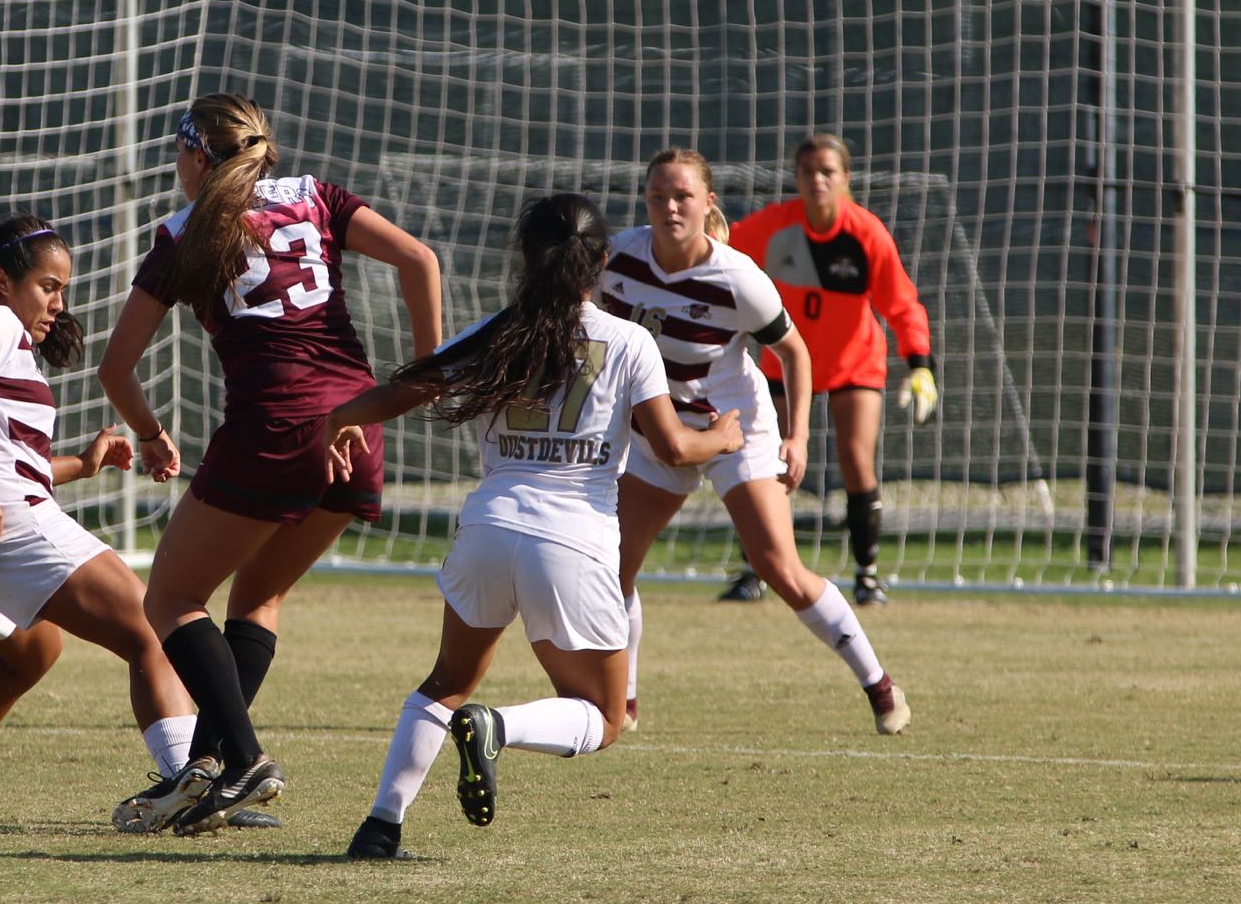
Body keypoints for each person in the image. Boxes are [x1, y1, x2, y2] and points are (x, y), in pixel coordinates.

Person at [325, 193, 743, 861]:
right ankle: (496, 727)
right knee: (604, 718)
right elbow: (672, 449)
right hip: (573, 540)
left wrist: (340, 417)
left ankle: (381, 825)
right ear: (602, 263)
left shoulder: (495, 332)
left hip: (488, 528)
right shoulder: (628, 340)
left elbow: (406, 388)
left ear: (525, 258)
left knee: (444, 683)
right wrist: (720, 437)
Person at [98, 91, 443, 835]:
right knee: (255, 600)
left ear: (196, 157)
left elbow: (116, 368)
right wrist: (423, 374)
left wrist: (151, 434)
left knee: (169, 600)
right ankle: (202, 779)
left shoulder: (186, 231)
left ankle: (245, 762)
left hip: (276, 424)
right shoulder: (317, 196)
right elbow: (421, 257)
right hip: (359, 424)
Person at [0, 215, 210, 831]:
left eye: (62, 290)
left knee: (30, 655)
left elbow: (7, 461)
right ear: (3, 281)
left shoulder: (8, 339)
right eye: (48, 286)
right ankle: (188, 791)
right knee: (153, 626)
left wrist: (83, 464)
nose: (57, 303)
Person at [604, 148, 911, 736]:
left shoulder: (738, 277)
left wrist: (796, 436)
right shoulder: (617, 258)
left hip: (736, 430)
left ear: (708, 204)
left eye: (683, 196)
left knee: (779, 569)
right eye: (658, 196)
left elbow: (793, 352)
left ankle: (879, 684)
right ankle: (625, 701)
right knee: (612, 570)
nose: (669, 207)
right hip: (658, 433)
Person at [720, 132, 937, 608]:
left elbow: (902, 304)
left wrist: (920, 364)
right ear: (796, 177)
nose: (817, 180)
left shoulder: (865, 233)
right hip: (785, 359)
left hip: (853, 361)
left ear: (845, 179)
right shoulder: (775, 227)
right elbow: (724, 248)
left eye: (827, 172)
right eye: (807, 172)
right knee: (768, 461)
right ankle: (756, 569)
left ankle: (867, 574)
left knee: (856, 459)